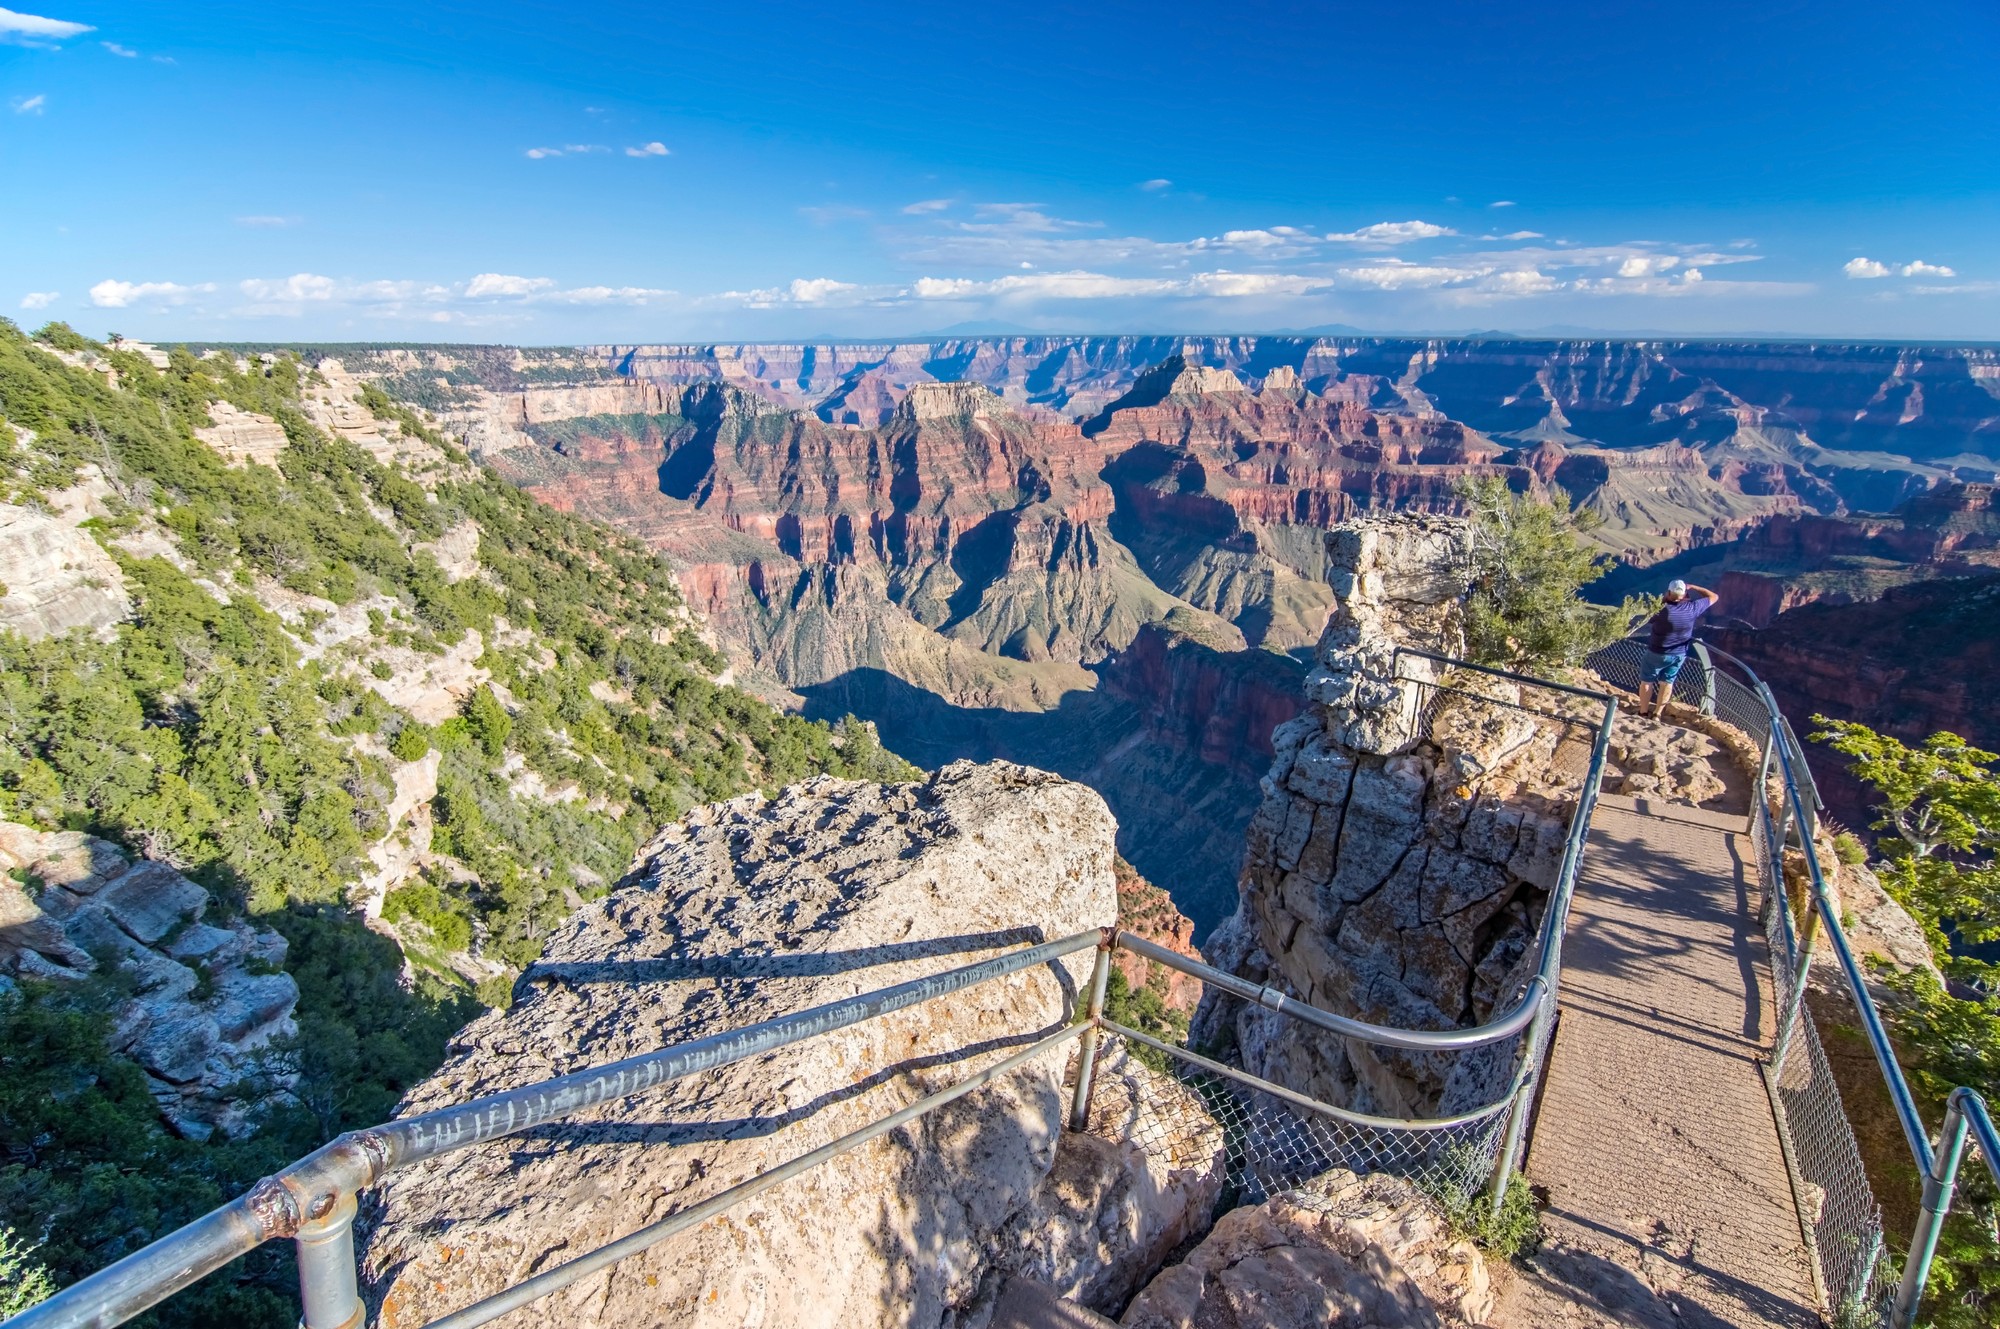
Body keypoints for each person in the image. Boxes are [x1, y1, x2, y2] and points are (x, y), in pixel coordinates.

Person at [1636, 579, 1718, 719]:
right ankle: (1657, 714)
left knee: (1647, 680)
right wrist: (1694, 586)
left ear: (1669, 592)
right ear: (1685, 593)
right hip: (1678, 654)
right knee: (1667, 683)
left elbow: (1647, 619)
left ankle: (1643, 712)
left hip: (1656, 651)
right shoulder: (1693, 608)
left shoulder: (1661, 609)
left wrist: (1664, 599)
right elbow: (1714, 596)